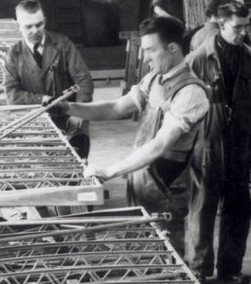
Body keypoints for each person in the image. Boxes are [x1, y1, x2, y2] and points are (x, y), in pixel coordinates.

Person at [67, 16, 209, 255]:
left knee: (168, 261)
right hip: (142, 179)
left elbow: (160, 145)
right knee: (144, 253)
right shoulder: (154, 79)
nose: (145, 58)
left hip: (165, 186)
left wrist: (110, 171)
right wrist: (68, 108)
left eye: (151, 50)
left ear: (172, 48)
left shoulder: (191, 91)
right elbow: (114, 108)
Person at [185, 2, 251, 284]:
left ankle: (231, 268)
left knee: (238, 206)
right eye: (238, 27)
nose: (243, 32)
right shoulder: (197, 59)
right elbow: (181, 104)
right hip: (207, 142)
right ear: (220, 25)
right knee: (203, 204)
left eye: (246, 26)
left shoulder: (250, 59)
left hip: (240, 142)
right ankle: (199, 267)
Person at [3, 0, 94, 157]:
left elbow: (84, 80)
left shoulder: (63, 44)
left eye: (39, 25)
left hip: (69, 118)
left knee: (76, 165)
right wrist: (41, 99)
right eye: (28, 26)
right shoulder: (14, 54)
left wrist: (80, 112)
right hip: (35, 122)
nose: (35, 31)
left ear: (44, 21)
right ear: (18, 27)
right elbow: (12, 95)